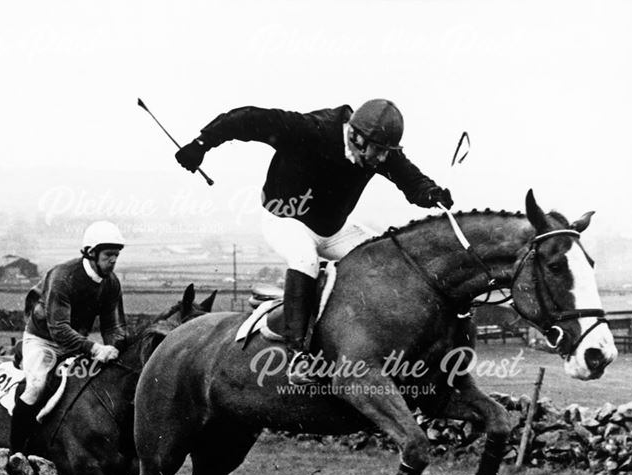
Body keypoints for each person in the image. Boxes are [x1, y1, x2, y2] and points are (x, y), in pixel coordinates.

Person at [175, 99, 453, 384]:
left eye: (385, 153)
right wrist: (202, 143)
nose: (382, 160)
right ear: (356, 137)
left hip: (334, 230)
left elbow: (411, 180)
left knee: (386, 256)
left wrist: (431, 194)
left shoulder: (377, 147)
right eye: (378, 152)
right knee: (305, 259)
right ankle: (300, 357)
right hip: (285, 221)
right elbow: (246, 119)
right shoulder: (311, 130)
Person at [10, 220, 128, 453]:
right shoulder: (63, 276)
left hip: (74, 344)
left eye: (116, 255)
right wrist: (96, 349)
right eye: (108, 255)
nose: (113, 260)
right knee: (36, 386)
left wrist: (115, 347)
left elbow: (114, 326)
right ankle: (16, 451)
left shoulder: (111, 283)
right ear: (91, 253)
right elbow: (59, 329)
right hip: (44, 340)